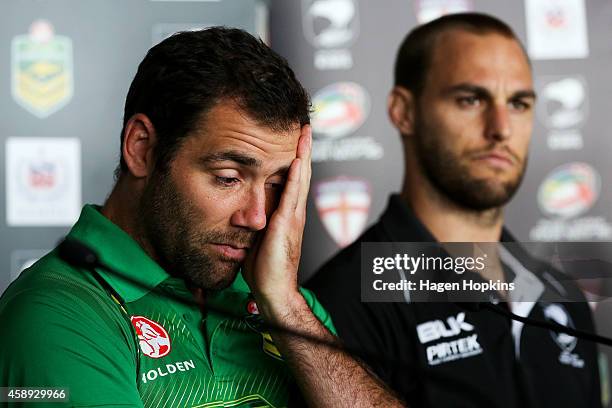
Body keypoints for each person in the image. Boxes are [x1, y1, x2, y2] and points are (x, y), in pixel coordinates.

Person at [0, 27, 403, 407]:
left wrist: (285, 305)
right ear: (141, 148)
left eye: (276, 184)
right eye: (228, 178)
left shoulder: (283, 302)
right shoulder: (54, 314)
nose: (258, 217)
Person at [306, 13, 602, 408]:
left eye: (518, 103)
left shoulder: (563, 296)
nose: (501, 128)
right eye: (471, 99)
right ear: (403, 111)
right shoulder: (341, 301)